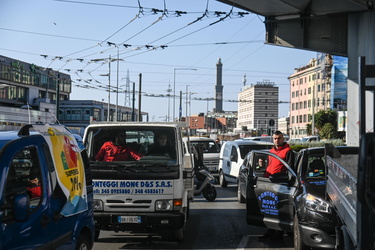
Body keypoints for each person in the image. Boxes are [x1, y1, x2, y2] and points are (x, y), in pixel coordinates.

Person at [260, 130, 294, 242]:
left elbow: (290, 169)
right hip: (269, 183)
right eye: (275, 138)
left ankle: (279, 233)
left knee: (278, 210)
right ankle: (270, 231)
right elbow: (270, 166)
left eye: (279, 138)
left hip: (280, 184)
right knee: (269, 209)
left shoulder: (287, 151)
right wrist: (262, 166)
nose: (277, 140)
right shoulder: (271, 151)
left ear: (283, 139)